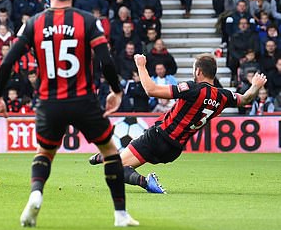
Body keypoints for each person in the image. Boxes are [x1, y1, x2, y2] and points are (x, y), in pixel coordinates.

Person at [0, 0, 138, 227]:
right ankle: (120, 215)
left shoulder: (33, 23)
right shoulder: (88, 21)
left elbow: (6, 62)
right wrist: (115, 91)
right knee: (111, 152)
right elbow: (106, 61)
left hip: (49, 103)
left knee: (44, 153)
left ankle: (36, 194)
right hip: (84, 101)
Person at [89, 54, 268, 193]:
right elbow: (245, 99)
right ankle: (105, 156)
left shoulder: (192, 88)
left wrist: (141, 65)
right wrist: (255, 86)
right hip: (174, 150)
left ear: (198, 71)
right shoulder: (224, 96)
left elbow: (151, 90)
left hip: (159, 137)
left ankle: (145, 182)